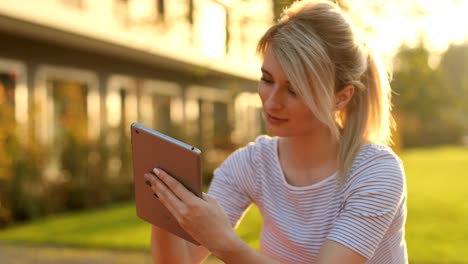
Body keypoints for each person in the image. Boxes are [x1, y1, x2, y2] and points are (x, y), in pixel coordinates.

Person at [143, 0, 408, 263]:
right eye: (267, 80)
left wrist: (225, 244)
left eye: (293, 90)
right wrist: (165, 206)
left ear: (340, 98)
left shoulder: (377, 172)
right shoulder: (252, 164)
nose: (271, 102)